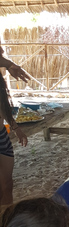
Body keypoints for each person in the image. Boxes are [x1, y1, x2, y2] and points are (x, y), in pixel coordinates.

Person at [0, 44, 29, 206]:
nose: (3, 53)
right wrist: (9, 65)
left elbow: (2, 106)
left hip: (1, 136)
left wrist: (16, 128)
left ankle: (4, 224)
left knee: (7, 185)